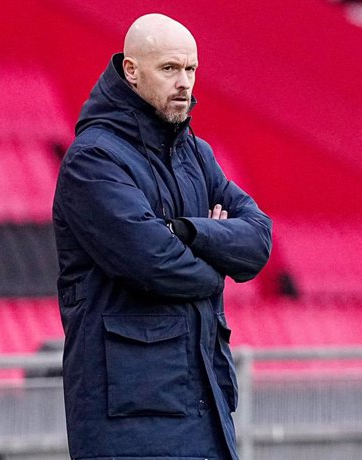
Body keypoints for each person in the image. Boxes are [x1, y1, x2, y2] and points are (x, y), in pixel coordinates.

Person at [52, 13, 272, 460]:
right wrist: (217, 264)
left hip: (203, 405)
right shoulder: (93, 159)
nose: (184, 83)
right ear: (131, 71)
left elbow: (258, 239)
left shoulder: (195, 152)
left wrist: (188, 231)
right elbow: (153, 263)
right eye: (169, 69)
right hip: (129, 423)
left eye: (190, 69)